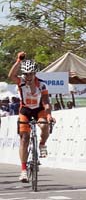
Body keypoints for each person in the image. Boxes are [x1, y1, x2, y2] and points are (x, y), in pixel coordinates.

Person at [8, 54, 55, 183]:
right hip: (25, 110)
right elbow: (11, 75)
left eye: (30, 74)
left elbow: (46, 102)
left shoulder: (42, 85)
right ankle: (23, 171)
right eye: (26, 74)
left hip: (39, 110)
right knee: (24, 138)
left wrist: (49, 115)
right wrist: (18, 61)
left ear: (34, 74)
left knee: (45, 126)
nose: (28, 77)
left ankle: (42, 144)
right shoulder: (21, 82)